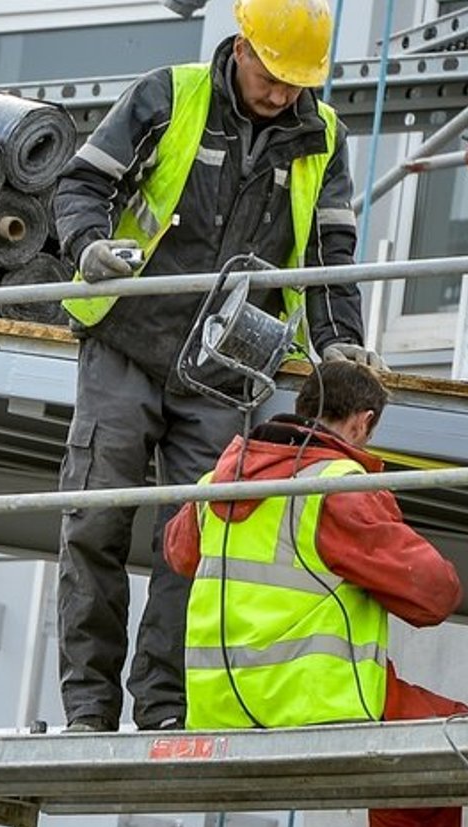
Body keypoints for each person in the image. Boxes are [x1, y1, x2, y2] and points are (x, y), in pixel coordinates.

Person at [50, 0, 383, 733]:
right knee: (95, 523)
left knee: (196, 541)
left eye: (297, 81)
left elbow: (329, 256)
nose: (281, 93)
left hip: (225, 370)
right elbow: (81, 186)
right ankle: (88, 709)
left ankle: (164, 709)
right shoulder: (170, 95)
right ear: (240, 46)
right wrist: (87, 249)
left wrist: (338, 344)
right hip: (128, 342)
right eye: (271, 74)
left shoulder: (321, 136)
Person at [163, 361, 468, 827]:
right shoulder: (336, 488)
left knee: (418, 789)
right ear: (363, 423)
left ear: (305, 407)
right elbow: (434, 595)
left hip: (222, 709)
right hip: (319, 702)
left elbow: (177, 553)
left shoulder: (219, 484)